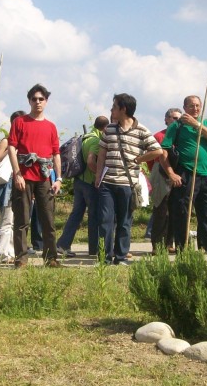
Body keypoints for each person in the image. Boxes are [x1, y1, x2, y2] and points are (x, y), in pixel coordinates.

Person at [96, 94, 162, 265]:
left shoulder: (142, 130)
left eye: (114, 106)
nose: (111, 110)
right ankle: (104, 257)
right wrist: (98, 177)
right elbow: (102, 154)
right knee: (105, 221)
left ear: (123, 109)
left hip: (128, 184)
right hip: (108, 183)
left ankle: (121, 256)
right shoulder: (109, 129)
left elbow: (157, 150)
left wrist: (140, 160)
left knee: (125, 222)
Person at [8, 84, 62, 268]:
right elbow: (11, 148)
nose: (37, 102)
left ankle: (51, 258)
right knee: (22, 219)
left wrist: (58, 178)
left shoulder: (51, 126)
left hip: (44, 177)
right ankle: (21, 259)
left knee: (48, 219)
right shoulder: (20, 122)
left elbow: (56, 154)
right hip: (24, 175)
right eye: (34, 99)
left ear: (46, 101)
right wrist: (17, 174)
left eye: (41, 99)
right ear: (29, 100)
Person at [159, 95, 207, 253]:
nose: (195, 109)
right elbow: (163, 151)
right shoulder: (177, 126)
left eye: (198, 106)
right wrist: (171, 173)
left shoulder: (205, 123)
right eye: (192, 106)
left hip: (205, 175)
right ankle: (183, 249)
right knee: (182, 213)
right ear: (185, 107)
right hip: (186, 174)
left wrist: (197, 125)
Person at [57, 115, 109, 258]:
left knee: (76, 214)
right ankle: (94, 249)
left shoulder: (84, 137)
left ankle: (63, 244)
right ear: (105, 128)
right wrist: (97, 175)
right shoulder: (96, 140)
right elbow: (92, 160)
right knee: (94, 216)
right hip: (90, 183)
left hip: (78, 181)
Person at [0, 110, 26, 263]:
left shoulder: (24, 141)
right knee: (7, 220)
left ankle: (12, 251)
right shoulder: (6, 141)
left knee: (18, 220)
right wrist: (9, 149)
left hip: (21, 183)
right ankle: (4, 254)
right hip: (8, 185)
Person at [147, 107, 182, 254]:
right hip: (160, 173)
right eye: (173, 118)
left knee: (174, 210)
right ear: (167, 119)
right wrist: (155, 172)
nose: (176, 121)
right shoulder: (158, 136)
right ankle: (157, 245)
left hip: (178, 172)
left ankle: (169, 243)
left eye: (178, 119)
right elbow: (150, 157)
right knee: (160, 209)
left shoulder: (181, 135)